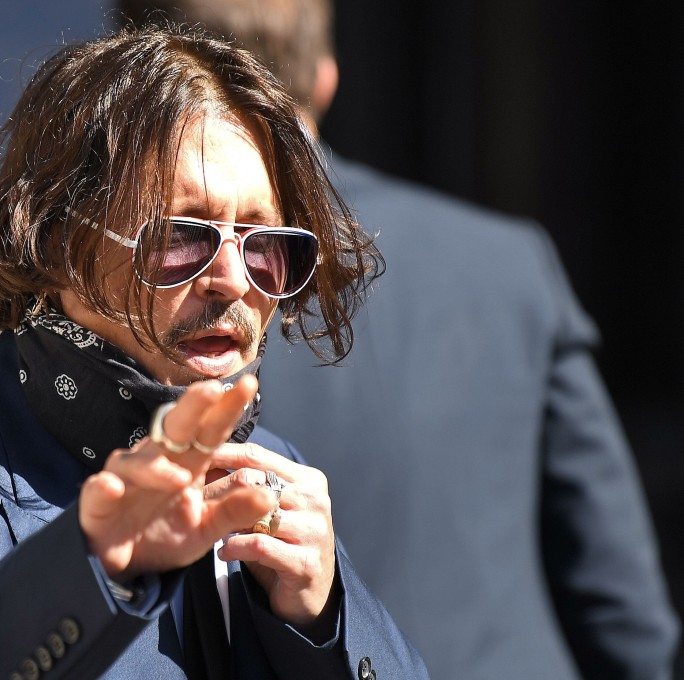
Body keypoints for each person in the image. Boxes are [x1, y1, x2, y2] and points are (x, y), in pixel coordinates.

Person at [0, 25, 430, 679]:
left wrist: (321, 619)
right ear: (59, 243)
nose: (235, 279)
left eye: (265, 244)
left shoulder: (274, 472)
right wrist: (90, 565)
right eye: (183, 237)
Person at [114, 1, 681, 678]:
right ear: (325, 77)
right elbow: (624, 610)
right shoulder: (508, 263)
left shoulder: (139, 286)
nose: (238, 277)